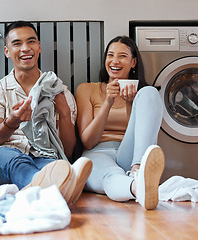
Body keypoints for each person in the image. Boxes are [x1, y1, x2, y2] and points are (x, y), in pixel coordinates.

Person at [0, 20, 92, 206]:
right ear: (7, 52)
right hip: (5, 157)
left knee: (56, 166)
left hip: (44, 156)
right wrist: (12, 122)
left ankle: (53, 187)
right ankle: (57, 189)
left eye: (31, 42)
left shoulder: (59, 91)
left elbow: (68, 150)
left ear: (39, 47)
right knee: (15, 162)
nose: (25, 48)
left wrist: (63, 113)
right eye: (17, 44)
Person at [75, 35, 165, 210]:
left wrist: (130, 103)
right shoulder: (87, 89)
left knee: (149, 92)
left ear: (133, 62)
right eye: (110, 55)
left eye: (122, 56)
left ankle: (139, 171)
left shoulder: (142, 96)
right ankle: (138, 187)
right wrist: (108, 102)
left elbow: (138, 133)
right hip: (98, 153)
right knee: (112, 175)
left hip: (131, 156)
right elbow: (88, 141)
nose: (115, 61)